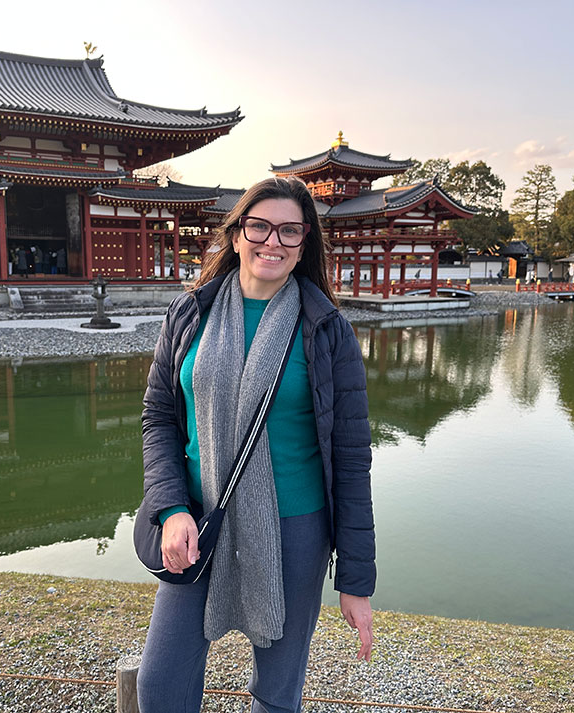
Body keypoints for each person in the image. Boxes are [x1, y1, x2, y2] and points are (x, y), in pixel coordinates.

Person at [138, 176, 375, 713]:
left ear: (304, 242)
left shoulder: (326, 329)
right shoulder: (189, 314)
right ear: (238, 233)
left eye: (289, 232)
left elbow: (351, 460)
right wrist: (172, 509)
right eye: (260, 227)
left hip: (295, 529)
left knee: (276, 691)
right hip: (200, 523)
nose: (273, 242)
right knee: (161, 684)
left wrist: (356, 581)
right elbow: (159, 418)